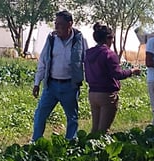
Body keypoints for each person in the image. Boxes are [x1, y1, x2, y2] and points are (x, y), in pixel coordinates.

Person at [31, 10, 88, 142]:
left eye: (60, 24)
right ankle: (35, 142)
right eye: (55, 24)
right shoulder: (51, 39)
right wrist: (36, 83)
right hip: (51, 85)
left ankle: (70, 143)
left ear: (70, 24)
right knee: (40, 114)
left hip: (70, 86)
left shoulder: (79, 40)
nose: (57, 27)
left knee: (72, 117)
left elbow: (87, 61)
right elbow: (43, 61)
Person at [84, 23, 141, 134]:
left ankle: (87, 148)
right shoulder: (109, 54)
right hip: (106, 94)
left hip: (92, 93)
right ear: (108, 38)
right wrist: (132, 71)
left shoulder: (89, 53)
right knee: (103, 131)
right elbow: (118, 74)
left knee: (94, 129)